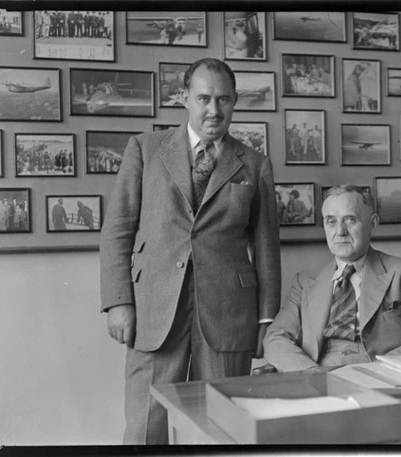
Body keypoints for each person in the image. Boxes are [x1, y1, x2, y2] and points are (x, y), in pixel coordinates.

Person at [100, 57, 281, 445]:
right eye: (203, 99)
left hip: (228, 315)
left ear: (235, 102)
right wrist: (118, 301)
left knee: (220, 430)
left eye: (224, 100)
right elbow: (116, 231)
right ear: (184, 98)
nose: (213, 110)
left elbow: (266, 248)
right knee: (146, 428)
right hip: (154, 310)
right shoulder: (146, 150)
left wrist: (267, 320)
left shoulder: (255, 164)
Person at [264, 185, 401, 372]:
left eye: (350, 220)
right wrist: (310, 371)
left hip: (380, 373)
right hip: (320, 374)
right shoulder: (305, 281)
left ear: (373, 224)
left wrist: (378, 370)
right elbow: (276, 337)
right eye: (331, 221)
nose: (340, 231)